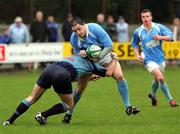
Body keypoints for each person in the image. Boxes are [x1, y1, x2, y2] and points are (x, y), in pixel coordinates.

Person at [62, 17, 140, 124]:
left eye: (79, 29)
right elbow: (77, 53)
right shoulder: (73, 39)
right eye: (74, 31)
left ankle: (128, 107)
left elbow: (109, 46)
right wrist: (83, 54)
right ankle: (68, 114)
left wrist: (99, 57)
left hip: (105, 55)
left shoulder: (95, 28)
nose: (78, 33)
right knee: (80, 88)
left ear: (84, 24)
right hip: (89, 61)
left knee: (119, 76)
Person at [3, 55, 115, 126]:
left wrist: (88, 78)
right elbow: (109, 73)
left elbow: (73, 71)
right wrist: (115, 59)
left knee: (32, 98)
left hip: (49, 69)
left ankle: (9, 121)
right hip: (62, 75)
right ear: (96, 57)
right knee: (69, 104)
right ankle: (42, 115)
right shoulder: (93, 66)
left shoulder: (75, 56)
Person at [132, 9, 178, 107]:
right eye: (143, 17)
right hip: (147, 59)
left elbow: (172, 37)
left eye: (147, 16)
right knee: (160, 77)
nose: (145, 18)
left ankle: (153, 95)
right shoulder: (138, 31)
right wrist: (137, 54)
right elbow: (134, 44)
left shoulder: (158, 27)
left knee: (157, 79)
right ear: (141, 18)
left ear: (151, 17)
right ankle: (171, 100)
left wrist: (161, 37)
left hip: (160, 59)